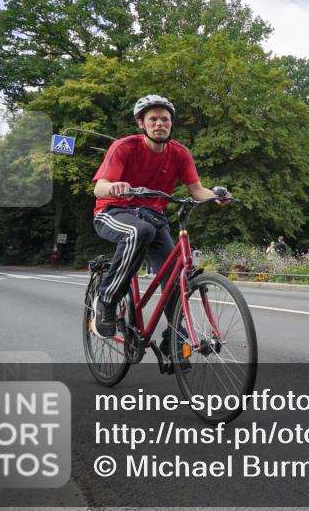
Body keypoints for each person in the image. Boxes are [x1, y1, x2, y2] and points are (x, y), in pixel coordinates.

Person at [91, 95, 230, 339]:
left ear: (171, 124)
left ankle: (175, 336)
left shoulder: (179, 153)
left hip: (153, 218)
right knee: (139, 231)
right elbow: (99, 186)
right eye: (153, 119)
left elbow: (197, 190)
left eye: (165, 119)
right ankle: (107, 299)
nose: (159, 124)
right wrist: (114, 187)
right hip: (112, 211)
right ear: (141, 123)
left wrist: (216, 196)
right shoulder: (124, 147)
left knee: (176, 277)